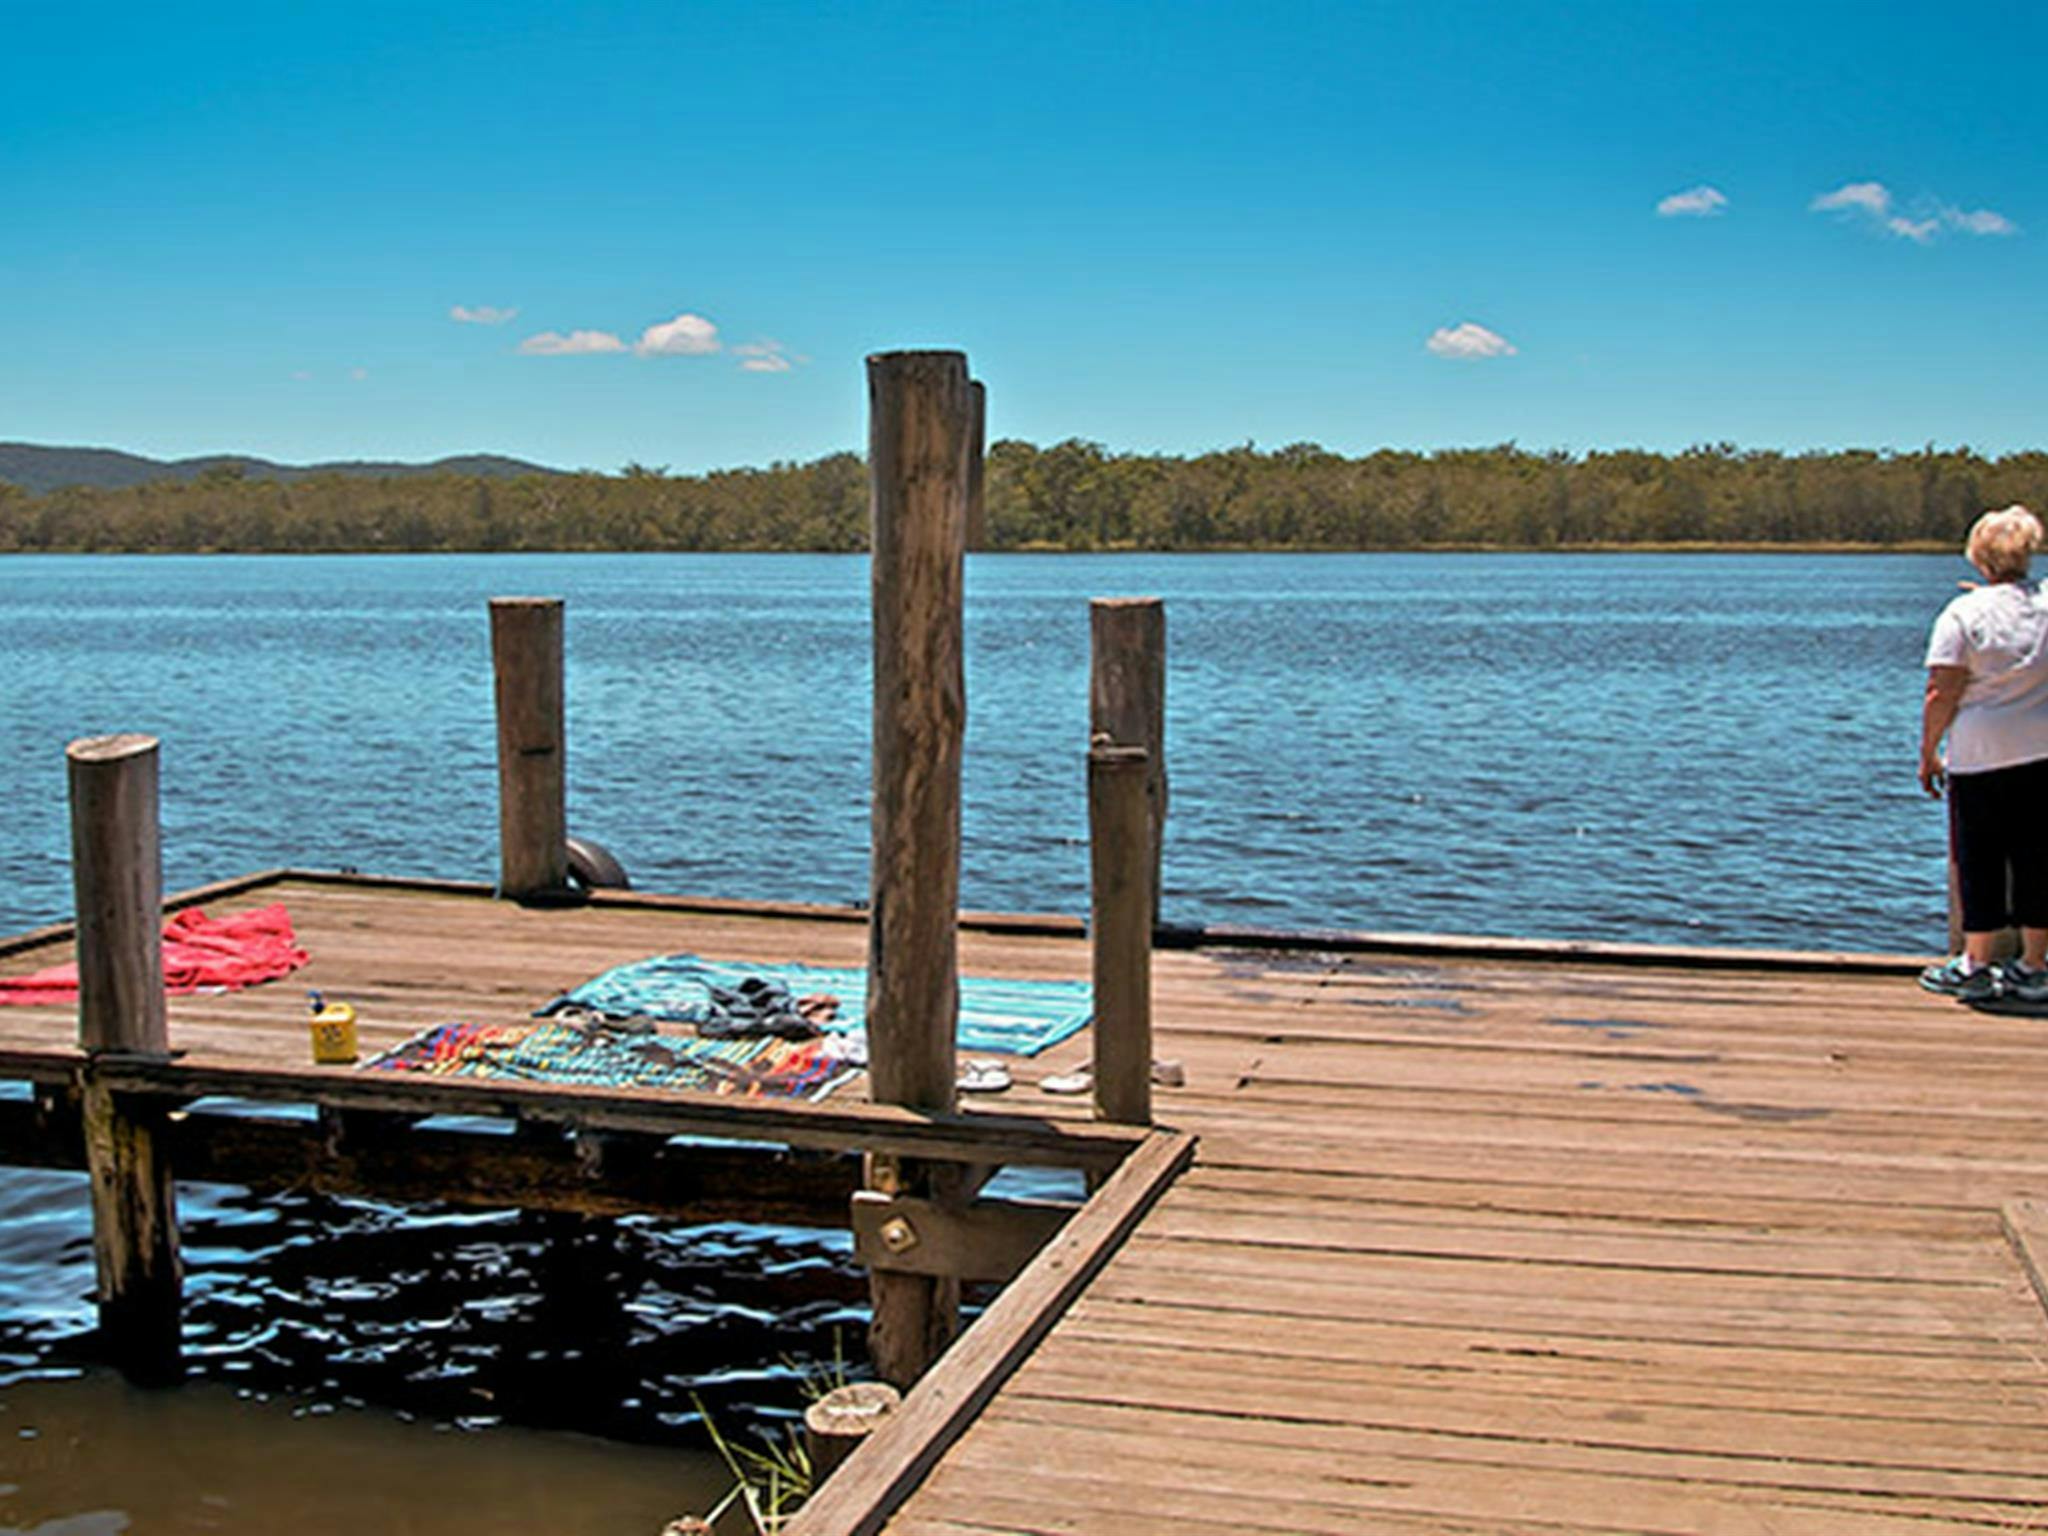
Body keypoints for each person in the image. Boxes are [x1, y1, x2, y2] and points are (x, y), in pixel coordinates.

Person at [1919, 504, 2048, 1001]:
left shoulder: (1962, 614)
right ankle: (2034, 964)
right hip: (2041, 751)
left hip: (1980, 753)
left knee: (1979, 858)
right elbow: (2020, 615)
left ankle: (1975, 962)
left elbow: (1941, 690)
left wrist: (1929, 750)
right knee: (2038, 857)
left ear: (1978, 556)